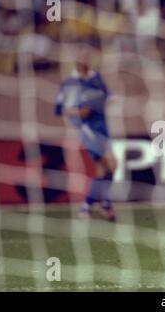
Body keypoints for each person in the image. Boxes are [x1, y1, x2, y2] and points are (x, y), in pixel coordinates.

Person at [54, 42, 117, 222]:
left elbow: (107, 95)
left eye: (86, 56)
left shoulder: (96, 78)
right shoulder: (69, 82)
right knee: (111, 163)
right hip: (88, 130)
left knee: (103, 169)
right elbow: (59, 108)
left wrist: (108, 100)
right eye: (80, 56)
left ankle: (94, 206)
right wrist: (74, 112)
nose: (83, 60)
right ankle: (98, 205)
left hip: (103, 128)